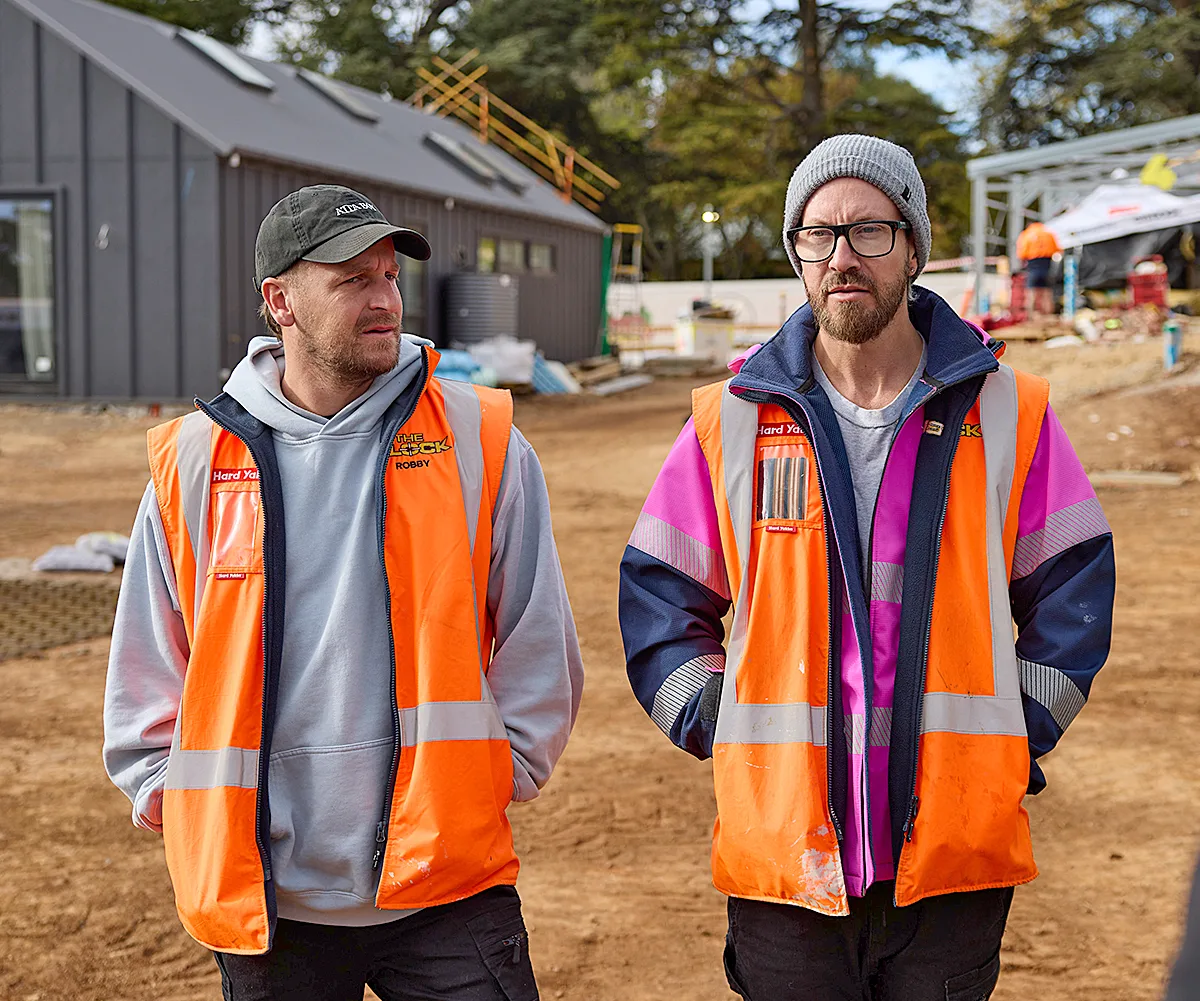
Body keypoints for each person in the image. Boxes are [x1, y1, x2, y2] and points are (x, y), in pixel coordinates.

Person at [619, 135, 1115, 1000]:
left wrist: (1012, 738)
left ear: (914, 248)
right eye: (819, 235)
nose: (842, 255)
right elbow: (661, 592)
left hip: (951, 862)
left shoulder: (1007, 409)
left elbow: (1072, 585)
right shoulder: (729, 419)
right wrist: (718, 720)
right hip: (786, 862)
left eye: (870, 231)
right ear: (797, 255)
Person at [103, 184, 583, 1000]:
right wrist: (166, 790)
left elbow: (540, 634)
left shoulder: (479, 437)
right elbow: (152, 654)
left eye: (390, 276)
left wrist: (502, 770)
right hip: (269, 899)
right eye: (352, 279)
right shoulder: (193, 462)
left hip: (449, 889)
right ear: (279, 301)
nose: (383, 298)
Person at [1016, 220, 1061, 317]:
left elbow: (1022, 254)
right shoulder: (1049, 234)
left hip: (1033, 266)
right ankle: (1048, 316)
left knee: (1031, 292)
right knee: (1047, 292)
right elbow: (1058, 250)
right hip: (1046, 265)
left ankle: (1030, 316)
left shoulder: (1026, 234)